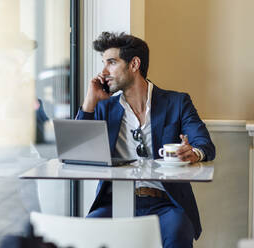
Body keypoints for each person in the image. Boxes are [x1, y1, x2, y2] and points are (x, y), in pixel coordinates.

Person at [76, 32, 215, 248]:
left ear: (134, 64)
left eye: (111, 63)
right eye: (103, 64)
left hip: (165, 203)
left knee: (179, 230)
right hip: (114, 202)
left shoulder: (177, 102)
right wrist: (89, 102)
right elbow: (77, 152)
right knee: (89, 231)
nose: (103, 72)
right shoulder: (105, 107)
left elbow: (204, 144)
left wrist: (193, 152)